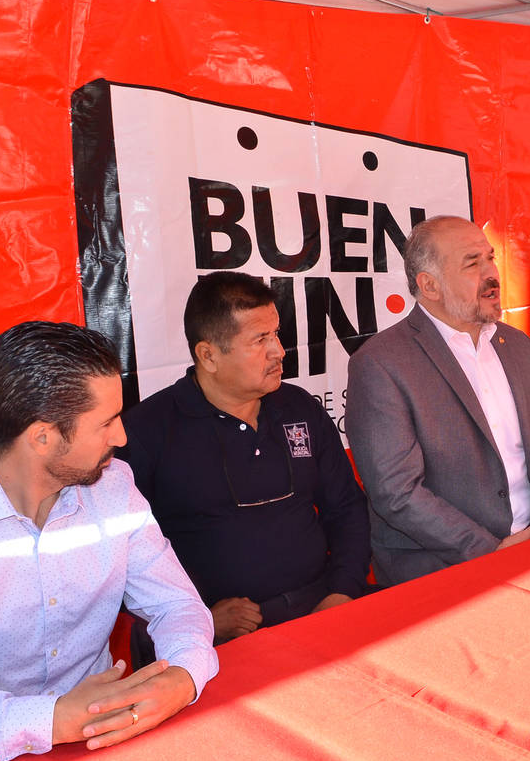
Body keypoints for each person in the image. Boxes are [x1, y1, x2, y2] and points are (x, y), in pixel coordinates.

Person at [0, 322, 217, 761]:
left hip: (100, 740)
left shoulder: (114, 489)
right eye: (106, 422)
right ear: (42, 437)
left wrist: (183, 675)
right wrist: (49, 719)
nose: (122, 437)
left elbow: (177, 604)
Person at [119, 272, 370, 654]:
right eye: (259, 340)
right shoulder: (146, 431)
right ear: (208, 355)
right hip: (214, 639)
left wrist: (343, 591)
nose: (279, 351)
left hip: (322, 607)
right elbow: (120, 554)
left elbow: (347, 506)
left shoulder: (299, 408)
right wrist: (197, 617)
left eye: (276, 334)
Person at [345, 216, 530, 586]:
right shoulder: (381, 364)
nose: (492, 274)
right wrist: (490, 551)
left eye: (490, 258)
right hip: (442, 571)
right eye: (472, 264)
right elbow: (397, 493)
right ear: (429, 285)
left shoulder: (517, 346)